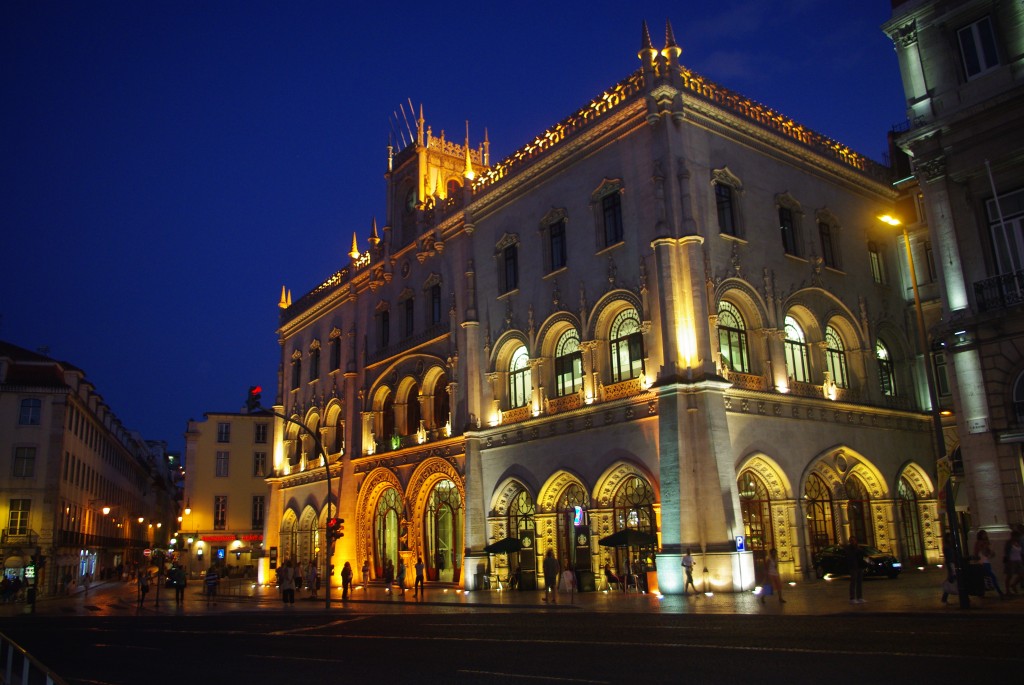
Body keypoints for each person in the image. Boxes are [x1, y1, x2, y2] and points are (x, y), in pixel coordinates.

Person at [973, 529, 1005, 598]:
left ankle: (982, 593)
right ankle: (999, 592)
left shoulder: (986, 543)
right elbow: (978, 552)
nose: (985, 535)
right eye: (984, 534)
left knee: (986, 577)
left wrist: (990, 552)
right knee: (991, 577)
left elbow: (989, 552)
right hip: (982, 561)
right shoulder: (979, 543)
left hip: (986, 561)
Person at [1002, 528, 1022, 595]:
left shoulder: (1019, 542)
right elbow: (1006, 552)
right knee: (1009, 575)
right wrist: (1008, 560)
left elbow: (1020, 551)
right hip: (1011, 561)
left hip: (1018, 560)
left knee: (1021, 575)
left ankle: (1014, 585)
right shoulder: (1009, 542)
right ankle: (1007, 590)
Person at [845, 536, 865, 604]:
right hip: (853, 567)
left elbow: (862, 556)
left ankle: (860, 597)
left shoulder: (858, 548)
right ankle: (852, 598)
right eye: (851, 540)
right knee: (853, 582)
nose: (852, 542)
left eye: (853, 540)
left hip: (859, 567)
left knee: (859, 583)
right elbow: (849, 557)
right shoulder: (849, 549)